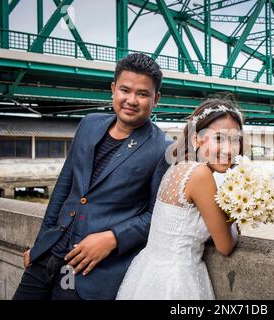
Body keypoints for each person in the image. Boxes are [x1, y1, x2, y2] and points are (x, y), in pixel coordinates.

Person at [12, 53, 173, 300]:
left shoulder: (163, 148)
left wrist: (113, 238)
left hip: (89, 271)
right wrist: (40, 243)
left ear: (156, 99)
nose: (131, 100)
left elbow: (158, 215)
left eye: (142, 94)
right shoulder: (88, 124)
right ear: (113, 89)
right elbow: (63, 189)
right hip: (46, 255)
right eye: (125, 90)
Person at [116, 99, 242, 300]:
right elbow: (225, 246)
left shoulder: (177, 167)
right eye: (219, 139)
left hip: (148, 274)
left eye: (235, 139)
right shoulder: (200, 174)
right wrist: (236, 216)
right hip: (177, 281)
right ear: (196, 140)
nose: (229, 149)